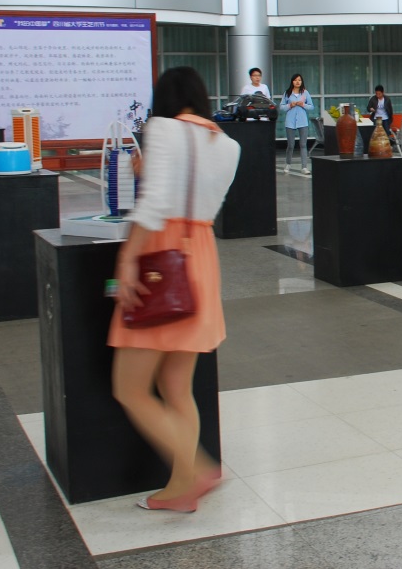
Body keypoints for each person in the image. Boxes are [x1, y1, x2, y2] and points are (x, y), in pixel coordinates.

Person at [108, 67, 241, 514]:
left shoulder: (163, 129)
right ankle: (182, 485)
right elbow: (195, 196)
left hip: (159, 261)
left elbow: (156, 205)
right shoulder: (228, 144)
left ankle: (195, 467)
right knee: (175, 385)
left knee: (130, 388)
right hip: (199, 258)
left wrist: (127, 259)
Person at [281, 73, 311, 175]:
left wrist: (303, 105)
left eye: (299, 80)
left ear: (302, 81)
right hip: (290, 122)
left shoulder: (305, 93)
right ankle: (288, 164)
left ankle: (304, 167)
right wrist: (290, 105)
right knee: (291, 145)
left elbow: (311, 106)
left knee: (303, 144)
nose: (297, 82)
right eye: (295, 80)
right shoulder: (287, 93)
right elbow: (282, 107)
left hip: (303, 122)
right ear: (292, 81)